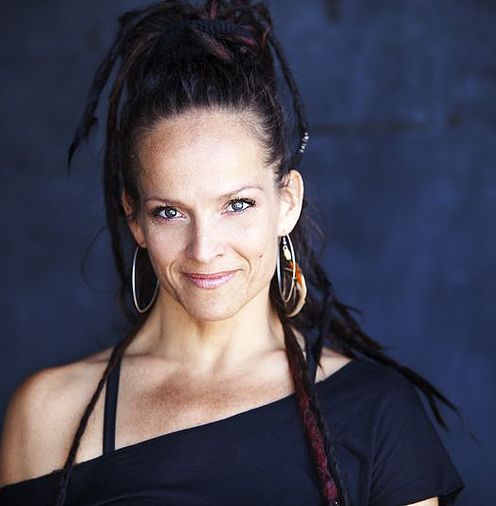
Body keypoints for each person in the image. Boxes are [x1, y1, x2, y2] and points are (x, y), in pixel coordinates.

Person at [0, 1, 465, 505]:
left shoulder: (375, 413)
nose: (204, 249)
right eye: (170, 213)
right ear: (133, 217)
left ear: (287, 202)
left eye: (236, 205)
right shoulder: (51, 413)